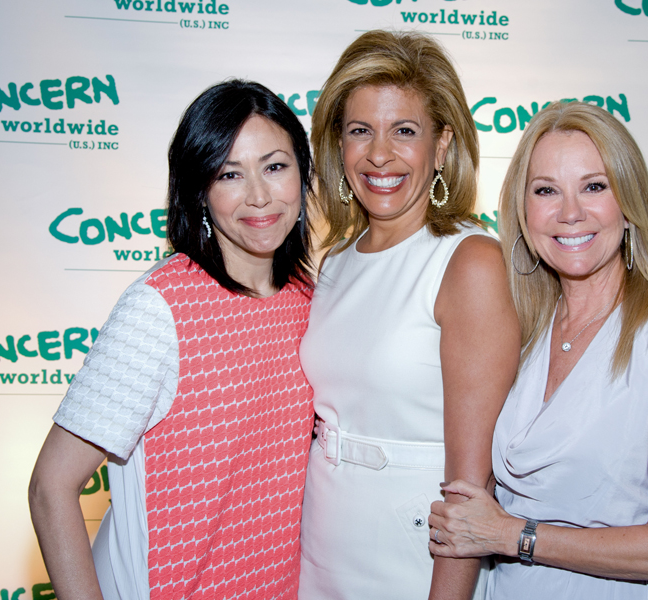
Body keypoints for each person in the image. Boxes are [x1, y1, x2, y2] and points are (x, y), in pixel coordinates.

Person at [28, 80, 316, 600]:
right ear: (199, 190)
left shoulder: (308, 297)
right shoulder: (159, 308)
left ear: (303, 173)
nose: (258, 195)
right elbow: (52, 487)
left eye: (275, 166)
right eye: (229, 174)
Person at [427, 101, 648, 599]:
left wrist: (511, 535)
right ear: (523, 213)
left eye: (594, 186)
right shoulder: (522, 333)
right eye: (546, 190)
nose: (570, 213)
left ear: (628, 203)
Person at [297, 30, 520, 600]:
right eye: (359, 131)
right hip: (322, 541)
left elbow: (473, 487)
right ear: (338, 144)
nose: (379, 153)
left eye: (404, 131)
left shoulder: (469, 262)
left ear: (442, 144)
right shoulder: (335, 262)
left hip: (413, 554)